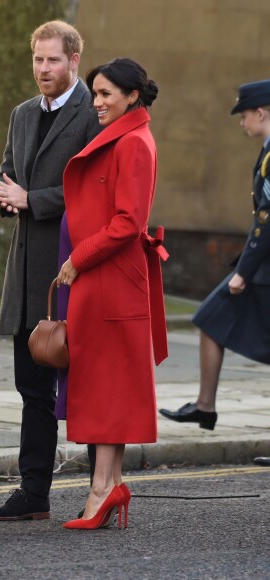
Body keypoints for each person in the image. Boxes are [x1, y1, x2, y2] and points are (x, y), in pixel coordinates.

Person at [0, 20, 101, 521]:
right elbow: (10, 175)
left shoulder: (93, 112)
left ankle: (103, 484)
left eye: (53, 60)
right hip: (27, 275)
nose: (43, 69)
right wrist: (8, 201)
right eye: (38, 59)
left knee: (89, 387)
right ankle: (34, 494)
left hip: (75, 270)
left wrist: (32, 200)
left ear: (74, 60)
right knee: (31, 388)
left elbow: (95, 191)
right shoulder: (22, 114)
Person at [57, 58, 168, 530]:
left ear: (132, 96)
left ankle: (103, 490)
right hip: (109, 280)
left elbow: (128, 222)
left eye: (105, 94)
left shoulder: (135, 142)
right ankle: (108, 484)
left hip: (110, 277)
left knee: (106, 389)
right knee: (108, 388)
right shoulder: (126, 136)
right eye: (95, 93)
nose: (97, 102)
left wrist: (78, 258)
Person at [159, 79, 270, 468]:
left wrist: (243, 271)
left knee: (210, 317)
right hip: (261, 265)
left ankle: (206, 406)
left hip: (263, 267)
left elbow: (266, 220)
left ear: (261, 112)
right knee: (210, 318)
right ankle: (205, 406)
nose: (241, 123)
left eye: (243, 115)